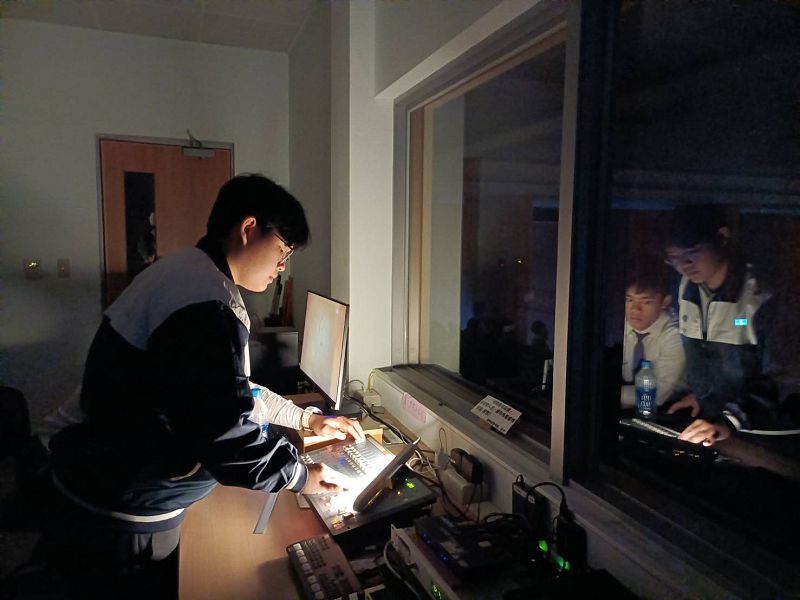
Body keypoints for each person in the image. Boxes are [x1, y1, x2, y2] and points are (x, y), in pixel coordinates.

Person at [39, 174, 365, 599]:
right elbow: (223, 432)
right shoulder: (204, 304)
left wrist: (307, 420)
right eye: (283, 251)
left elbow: (235, 393)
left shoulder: (190, 276)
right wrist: (300, 475)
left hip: (111, 487)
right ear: (249, 229)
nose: (282, 266)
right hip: (119, 510)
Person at [663, 205, 787, 446]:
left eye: (692, 252)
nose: (684, 265)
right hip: (714, 425)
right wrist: (701, 396)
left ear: (722, 237)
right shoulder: (684, 289)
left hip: (762, 432)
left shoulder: (760, 296)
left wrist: (730, 420)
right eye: (674, 257)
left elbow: (781, 379)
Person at [620, 267, 686, 408]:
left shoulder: (675, 335)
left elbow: (655, 395)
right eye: (629, 300)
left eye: (646, 302)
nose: (635, 309)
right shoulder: (618, 327)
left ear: (665, 302)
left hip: (670, 408)